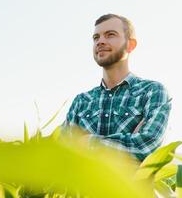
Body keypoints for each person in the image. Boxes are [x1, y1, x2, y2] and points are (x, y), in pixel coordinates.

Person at [63, 14, 172, 161]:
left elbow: (144, 147)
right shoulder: (81, 101)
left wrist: (85, 142)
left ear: (130, 45)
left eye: (110, 35)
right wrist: (126, 145)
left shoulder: (152, 92)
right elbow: (63, 155)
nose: (100, 41)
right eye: (96, 37)